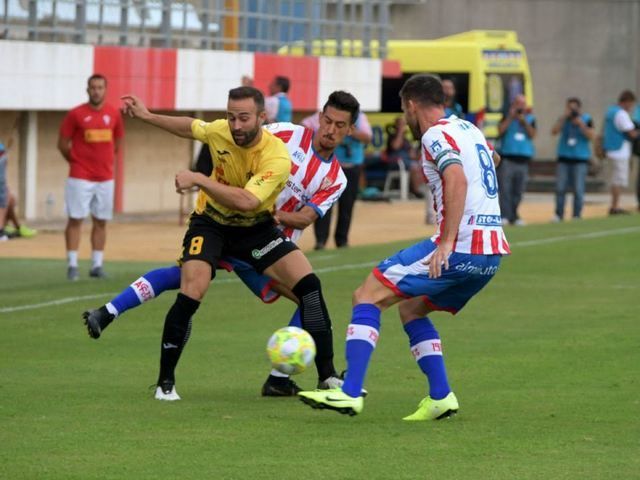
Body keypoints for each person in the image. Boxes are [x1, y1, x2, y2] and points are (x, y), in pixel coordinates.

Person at [83, 92, 360, 398]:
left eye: (340, 125)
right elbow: (227, 137)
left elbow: (305, 218)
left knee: (310, 297)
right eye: (328, 121)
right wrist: (149, 117)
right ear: (319, 118)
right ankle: (112, 317)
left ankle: (284, 377)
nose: (331, 129)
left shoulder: (336, 178)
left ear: (350, 130)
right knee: (187, 282)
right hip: (221, 224)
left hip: (264, 241)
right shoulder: (285, 134)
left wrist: (264, 210)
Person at [298, 74, 510, 419]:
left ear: (411, 105)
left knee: (366, 295)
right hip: (490, 254)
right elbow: (494, 160)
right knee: (410, 309)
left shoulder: (434, 135)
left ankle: (349, 392)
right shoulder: (467, 129)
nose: (405, 118)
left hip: (460, 246)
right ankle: (441, 396)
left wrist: (445, 241)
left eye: (403, 109)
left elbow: (455, 176)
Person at [58, 74, 124, 280]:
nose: (96, 91)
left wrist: (104, 162)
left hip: (105, 177)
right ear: (87, 90)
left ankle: (97, 265)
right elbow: (62, 143)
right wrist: (77, 162)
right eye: (93, 87)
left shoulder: (114, 114)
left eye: (100, 87)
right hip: (80, 177)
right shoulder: (75, 114)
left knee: (101, 221)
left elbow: (118, 142)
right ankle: (72, 265)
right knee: (76, 219)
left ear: (106, 89)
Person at [313, 111, 372, 249]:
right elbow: (309, 126)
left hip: (351, 167)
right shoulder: (330, 115)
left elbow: (367, 137)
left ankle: (342, 240)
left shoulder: (360, 117)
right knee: (323, 204)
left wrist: (348, 130)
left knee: (347, 206)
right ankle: (320, 240)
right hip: (330, 167)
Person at [550, 97, 595, 221]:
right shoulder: (563, 120)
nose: (572, 111)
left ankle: (576, 214)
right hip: (564, 159)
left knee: (578, 189)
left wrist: (581, 124)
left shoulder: (586, 119)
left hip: (580, 160)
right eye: (570, 108)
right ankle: (559, 214)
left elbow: (591, 136)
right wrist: (564, 118)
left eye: (574, 108)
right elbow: (553, 131)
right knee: (560, 188)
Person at [497, 94, 536, 225]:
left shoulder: (530, 119)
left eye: (522, 104)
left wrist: (523, 120)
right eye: (518, 103)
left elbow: (532, 135)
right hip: (508, 158)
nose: (520, 106)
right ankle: (505, 215)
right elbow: (500, 130)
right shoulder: (506, 116)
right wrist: (510, 117)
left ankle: (514, 214)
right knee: (505, 189)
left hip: (523, 160)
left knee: (518, 191)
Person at [602, 90, 639, 215]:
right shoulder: (621, 113)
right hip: (620, 150)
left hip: (611, 148)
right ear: (627, 102)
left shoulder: (610, 111)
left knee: (616, 179)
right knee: (619, 180)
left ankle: (615, 205)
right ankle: (615, 206)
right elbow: (631, 132)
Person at [385, 116, 425, 199]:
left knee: (421, 166)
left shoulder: (406, 140)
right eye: (401, 125)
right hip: (396, 162)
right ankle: (416, 191)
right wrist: (400, 132)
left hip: (407, 161)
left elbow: (411, 155)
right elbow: (395, 146)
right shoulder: (392, 136)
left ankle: (418, 190)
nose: (403, 126)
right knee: (413, 166)